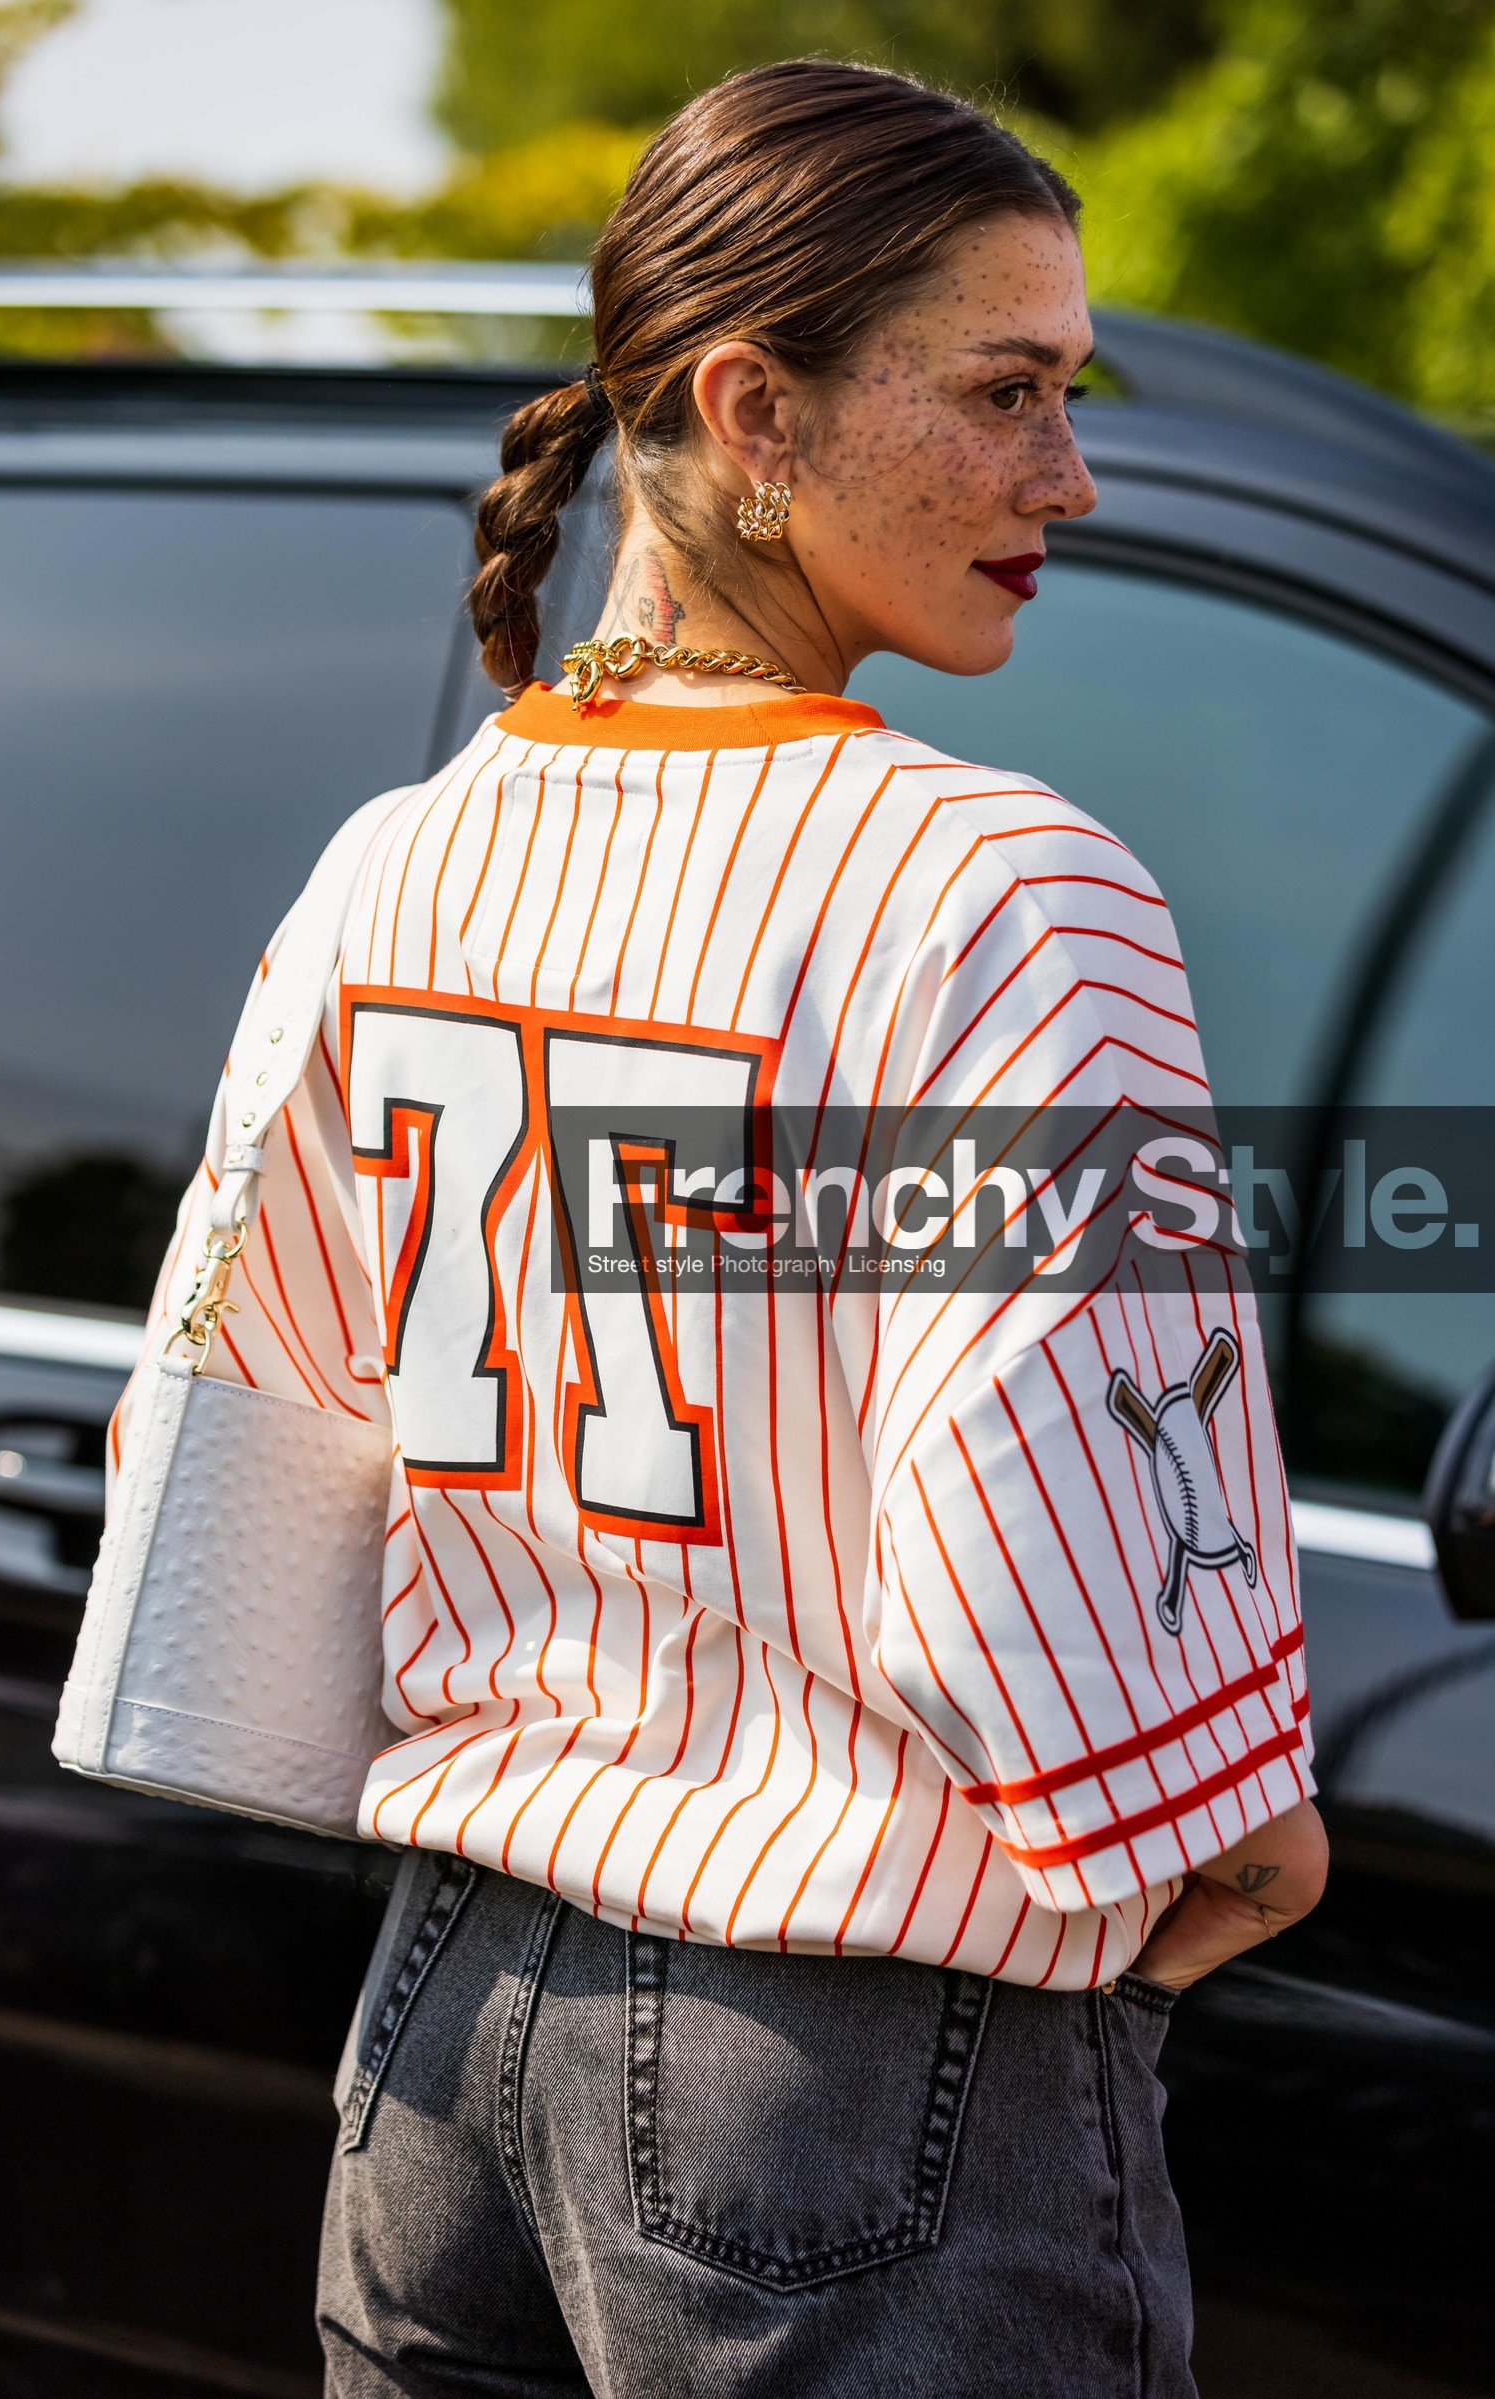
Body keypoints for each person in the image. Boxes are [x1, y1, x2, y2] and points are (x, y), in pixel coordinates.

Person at [126, 58, 1326, 2398]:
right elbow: (1046, 1522)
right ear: (748, 404)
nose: (1065, 475)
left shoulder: (398, 863)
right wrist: (1234, 1820)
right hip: (848, 2076)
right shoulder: (996, 886)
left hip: (434, 2049)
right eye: (1001, 392)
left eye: (1060, 396)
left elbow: (247, 1438)